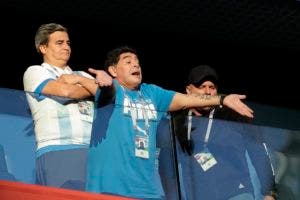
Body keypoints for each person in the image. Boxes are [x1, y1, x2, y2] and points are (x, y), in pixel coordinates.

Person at [85, 46, 254, 199]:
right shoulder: (110, 89)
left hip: (146, 192)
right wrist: (103, 81)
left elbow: (185, 100)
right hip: (109, 189)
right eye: (128, 62)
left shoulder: (152, 93)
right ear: (113, 70)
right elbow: (95, 89)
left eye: (137, 62)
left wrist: (223, 99)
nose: (136, 65)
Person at [23, 23, 112, 190]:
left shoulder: (82, 75)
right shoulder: (35, 72)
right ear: (43, 48)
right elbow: (67, 91)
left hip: (93, 151)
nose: (66, 47)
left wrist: (82, 81)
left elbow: (108, 92)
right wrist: (93, 87)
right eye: (59, 43)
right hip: (59, 149)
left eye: (68, 43)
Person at [171, 65, 277, 200]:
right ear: (188, 90)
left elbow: (259, 151)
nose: (207, 92)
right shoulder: (178, 121)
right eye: (202, 86)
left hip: (237, 193)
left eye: (212, 87)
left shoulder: (233, 114)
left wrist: (270, 193)